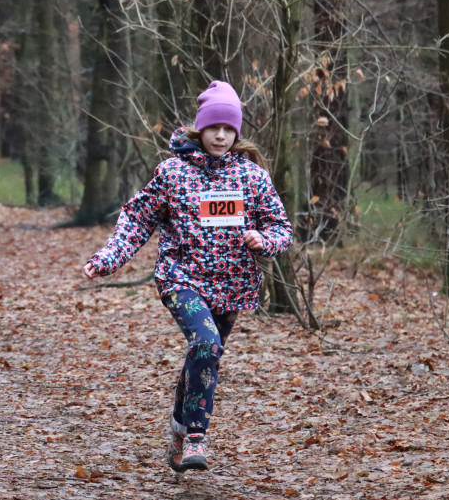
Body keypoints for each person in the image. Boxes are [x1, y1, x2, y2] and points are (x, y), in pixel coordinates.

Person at [82, 81, 292, 473]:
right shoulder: (172, 174)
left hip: (231, 285)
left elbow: (282, 229)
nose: (221, 135)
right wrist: (108, 258)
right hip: (182, 279)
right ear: (200, 128)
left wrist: (262, 239)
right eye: (214, 127)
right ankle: (195, 435)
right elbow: (137, 219)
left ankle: (179, 430)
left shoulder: (252, 178)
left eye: (229, 129)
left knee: (204, 356)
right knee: (207, 344)